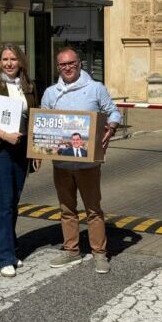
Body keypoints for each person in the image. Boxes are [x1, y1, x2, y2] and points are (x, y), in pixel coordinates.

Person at [41, 47, 121, 274]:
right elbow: (43, 122)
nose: (67, 68)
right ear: (58, 67)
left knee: (93, 209)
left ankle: (99, 253)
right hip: (61, 164)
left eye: (71, 63)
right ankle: (71, 250)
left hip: (88, 164)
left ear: (79, 64)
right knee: (66, 209)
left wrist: (112, 127)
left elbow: (113, 112)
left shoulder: (96, 88)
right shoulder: (50, 93)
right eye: (62, 65)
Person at [0, 43, 38, 277]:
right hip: (0, 150)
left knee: (14, 202)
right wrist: (5, 136)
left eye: (13, 59)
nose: (9, 63)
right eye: (5, 59)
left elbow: (34, 120)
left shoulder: (29, 87)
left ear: (21, 61)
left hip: (21, 150)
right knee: (4, 205)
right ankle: (4, 258)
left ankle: (11, 249)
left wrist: (35, 152)